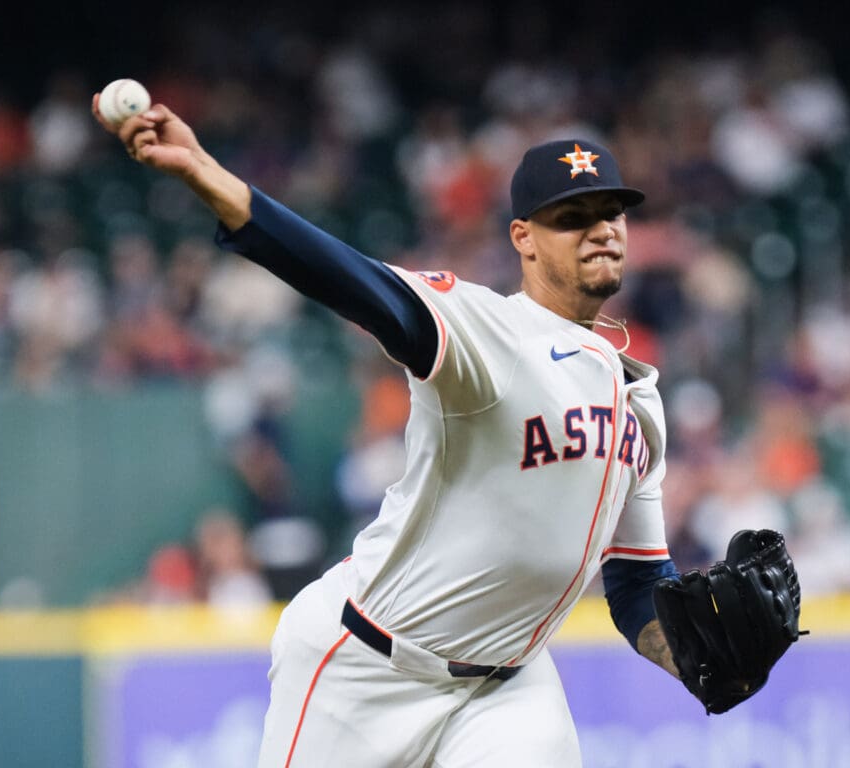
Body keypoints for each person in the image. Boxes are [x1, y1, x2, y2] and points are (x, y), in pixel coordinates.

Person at [93, 93, 682, 767]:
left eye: (611, 212)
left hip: (509, 689)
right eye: (572, 218)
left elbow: (638, 585)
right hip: (366, 666)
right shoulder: (487, 330)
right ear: (523, 237)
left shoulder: (640, 397)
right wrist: (210, 178)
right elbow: (353, 281)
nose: (602, 228)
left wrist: (692, 659)